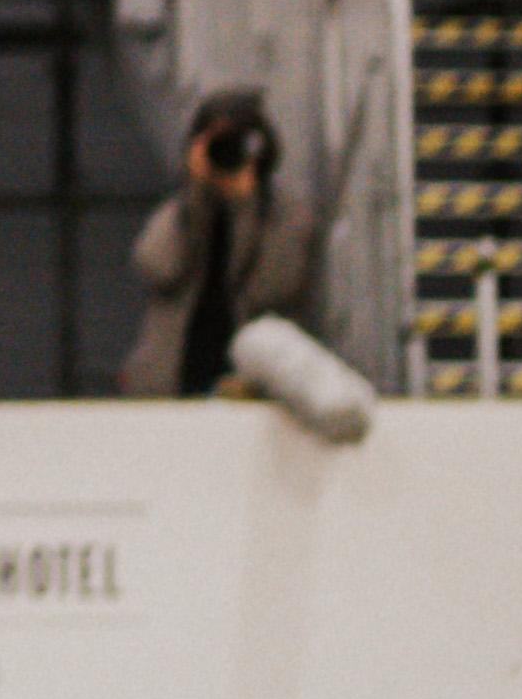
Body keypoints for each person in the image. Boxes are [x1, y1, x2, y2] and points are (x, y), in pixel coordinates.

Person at [125, 89, 371, 439]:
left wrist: (245, 205)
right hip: (171, 383)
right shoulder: (183, 211)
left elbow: (272, 288)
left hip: (252, 393)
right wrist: (196, 198)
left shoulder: (285, 215)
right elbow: (155, 266)